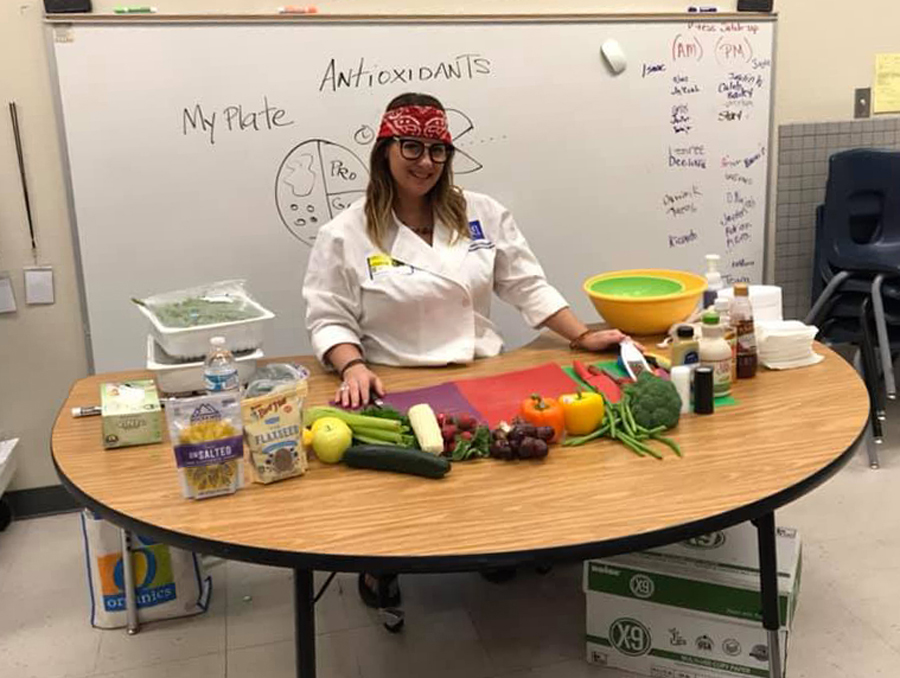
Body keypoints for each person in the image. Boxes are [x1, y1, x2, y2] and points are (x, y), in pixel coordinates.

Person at [302, 92, 635, 608]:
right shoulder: (346, 232)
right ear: (386, 150)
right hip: (399, 379)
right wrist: (353, 366)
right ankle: (379, 568)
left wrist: (580, 335)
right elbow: (328, 315)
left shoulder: (481, 213)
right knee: (400, 502)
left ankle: (497, 551)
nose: (425, 163)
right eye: (411, 147)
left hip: (483, 370)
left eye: (438, 151)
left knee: (501, 480)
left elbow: (526, 284)